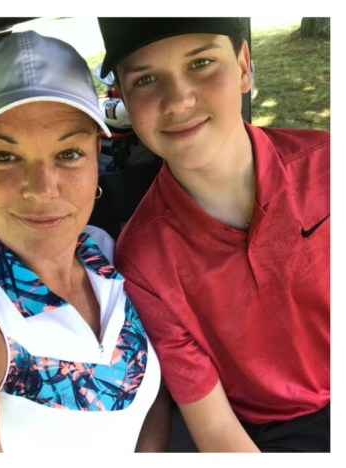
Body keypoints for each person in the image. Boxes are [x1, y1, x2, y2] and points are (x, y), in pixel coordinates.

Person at [98, 17, 330, 452]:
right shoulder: (144, 261)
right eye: (146, 79)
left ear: (244, 66)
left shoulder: (327, 166)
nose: (179, 99)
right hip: (281, 430)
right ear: (124, 98)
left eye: (202, 62)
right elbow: (217, 431)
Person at [0, 30, 169, 453]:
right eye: (3, 156)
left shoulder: (109, 252)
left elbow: (150, 399)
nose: (43, 189)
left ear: (97, 153)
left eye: (68, 154)